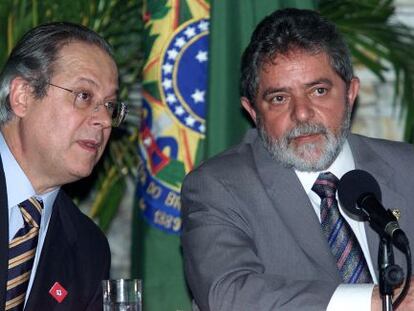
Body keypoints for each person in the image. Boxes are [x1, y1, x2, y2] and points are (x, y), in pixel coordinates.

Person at [181, 8, 414, 311]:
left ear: (351, 93)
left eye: (318, 91)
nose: (301, 114)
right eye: (279, 98)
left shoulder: (407, 169)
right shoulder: (218, 187)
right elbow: (227, 294)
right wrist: (374, 301)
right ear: (252, 111)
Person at [0, 22, 126, 310]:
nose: (104, 121)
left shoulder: (88, 249)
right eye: (84, 96)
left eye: (109, 105)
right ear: (23, 96)